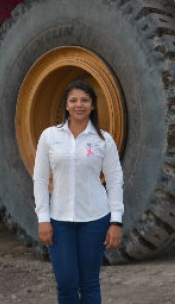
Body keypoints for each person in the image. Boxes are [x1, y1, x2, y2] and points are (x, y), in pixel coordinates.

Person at [33, 79, 125, 304]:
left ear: (93, 105)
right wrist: (43, 218)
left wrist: (116, 222)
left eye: (85, 100)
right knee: (65, 282)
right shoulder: (49, 137)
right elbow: (40, 178)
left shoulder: (104, 140)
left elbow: (114, 181)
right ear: (66, 105)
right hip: (59, 220)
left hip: (95, 219)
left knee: (89, 282)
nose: (79, 105)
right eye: (73, 100)